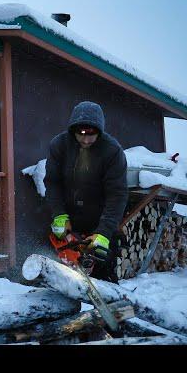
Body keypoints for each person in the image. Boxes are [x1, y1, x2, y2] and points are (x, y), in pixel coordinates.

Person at [44, 101, 128, 282]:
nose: (86, 140)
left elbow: (117, 194)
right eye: (81, 134)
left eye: (92, 134)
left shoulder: (112, 151)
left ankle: (108, 307)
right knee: (62, 280)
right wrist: (59, 214)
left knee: (103, 281)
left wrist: (104, 232)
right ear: (73, 129)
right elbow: (52, 183)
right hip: (69, 222)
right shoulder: (59, 145)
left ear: (100, 131)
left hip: (99, 222)